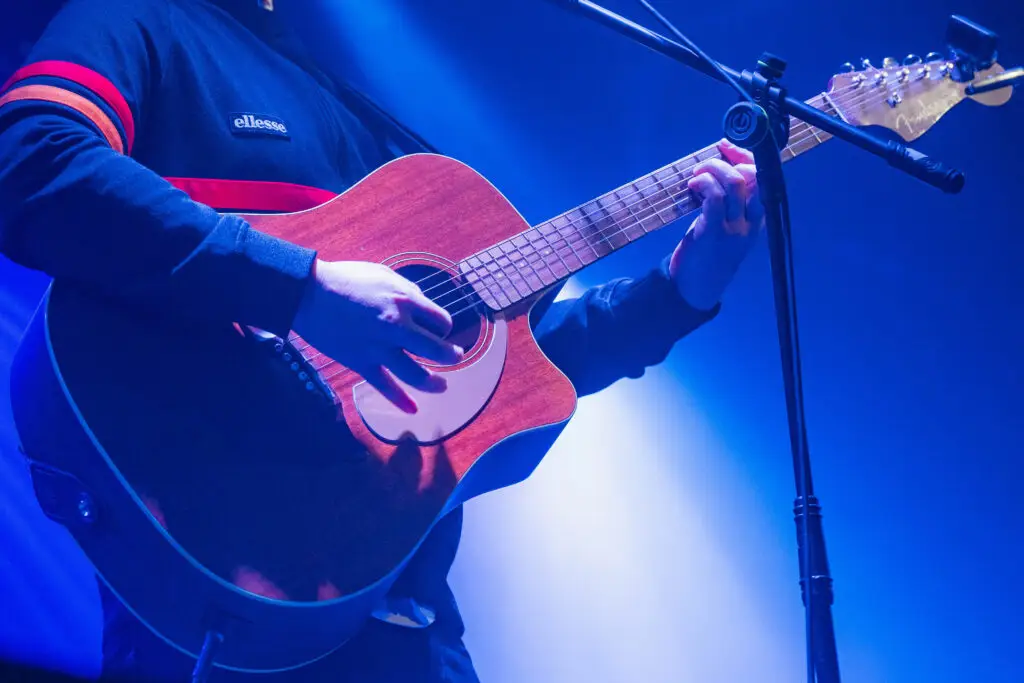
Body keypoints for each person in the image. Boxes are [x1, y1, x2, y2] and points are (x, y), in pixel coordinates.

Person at [0, 0, 765, 681]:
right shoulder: (137, 18)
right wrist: (299, 287)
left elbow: (503, 375)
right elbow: (31, 156)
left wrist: (679, 291)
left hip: (412, 624)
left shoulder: (342, 101)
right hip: (222, 611)